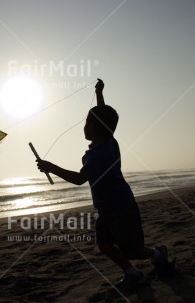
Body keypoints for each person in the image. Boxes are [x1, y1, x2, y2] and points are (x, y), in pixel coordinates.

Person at [36, 79, 169, 287]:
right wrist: (99, 93)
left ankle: (157, 254)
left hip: (121, 207)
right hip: (105, 209)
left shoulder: (99, 155)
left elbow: (79, 179)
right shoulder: (110, 141)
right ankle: (132, 272)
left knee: (133, 250)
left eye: (87, 123)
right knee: (104, 244)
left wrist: (51, 167)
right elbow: (102, 115)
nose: (84, 126)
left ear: (95, 128)